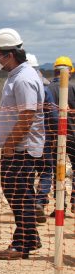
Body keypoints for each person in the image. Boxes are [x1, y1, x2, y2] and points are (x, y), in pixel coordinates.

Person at [0, 28, 45, 260]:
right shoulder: (17, 76)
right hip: (18, 146)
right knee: (16, 193)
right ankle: (29, 238)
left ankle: (22, 243)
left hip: (22, 148)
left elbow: (27, 116)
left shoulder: (24, 78)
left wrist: (11, 143)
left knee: (19, 194)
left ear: (9, 54)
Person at [27, 54, 58, 223]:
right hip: (44, 138)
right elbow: (53, 116)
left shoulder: (19, 83)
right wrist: (54, 136)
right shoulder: (44, 89)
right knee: (46, 170)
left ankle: (32, 204)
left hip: (24, 139)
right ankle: (39, 201)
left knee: (29, 172)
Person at [47, 56, 75, 214]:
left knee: (57, 171)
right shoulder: (72, 88)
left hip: (52, 136)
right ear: (69, 71)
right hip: (72, 135)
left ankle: (60, 206)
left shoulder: (47, 89)